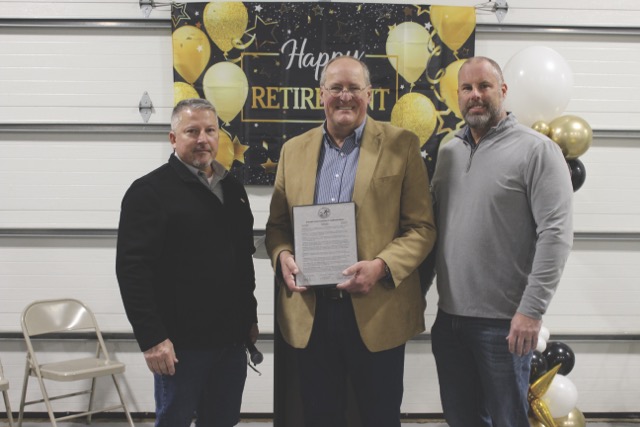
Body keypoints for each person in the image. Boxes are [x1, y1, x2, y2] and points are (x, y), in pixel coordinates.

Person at [265, 55, 436, 427]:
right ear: (321, 95)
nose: (345, 96)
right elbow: (277, 226)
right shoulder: (293, 150)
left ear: (369, 94)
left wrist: (381, 266)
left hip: (376, 309)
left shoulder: (402, 145)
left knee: (379, 417)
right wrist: (283, 256)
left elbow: (422, 228)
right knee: (318, 416)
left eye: (354, 88)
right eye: (336, 88)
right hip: (311, 313)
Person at [430, 56, 573, 426]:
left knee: (508, 420)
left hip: (505, 325)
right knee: (461, 419)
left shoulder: (537, 150)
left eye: (484, 86)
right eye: (467, 88)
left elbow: (556, 235)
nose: (475, 95)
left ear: (503, 90)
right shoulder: (449, 152)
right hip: (449, 321)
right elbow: (433, 231)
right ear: (458, 96)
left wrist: (531, 311)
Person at [116, 98, 258, 427]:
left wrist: (249, 316)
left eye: (210, 130)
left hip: (230, 342)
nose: (202, 139)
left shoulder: (233, 189)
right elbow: (132, 271)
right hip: (180, 347)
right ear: (173, 138)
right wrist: (152, 339)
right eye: (192, 131)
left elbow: (242, 261)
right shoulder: (149, 192)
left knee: (223, 421)